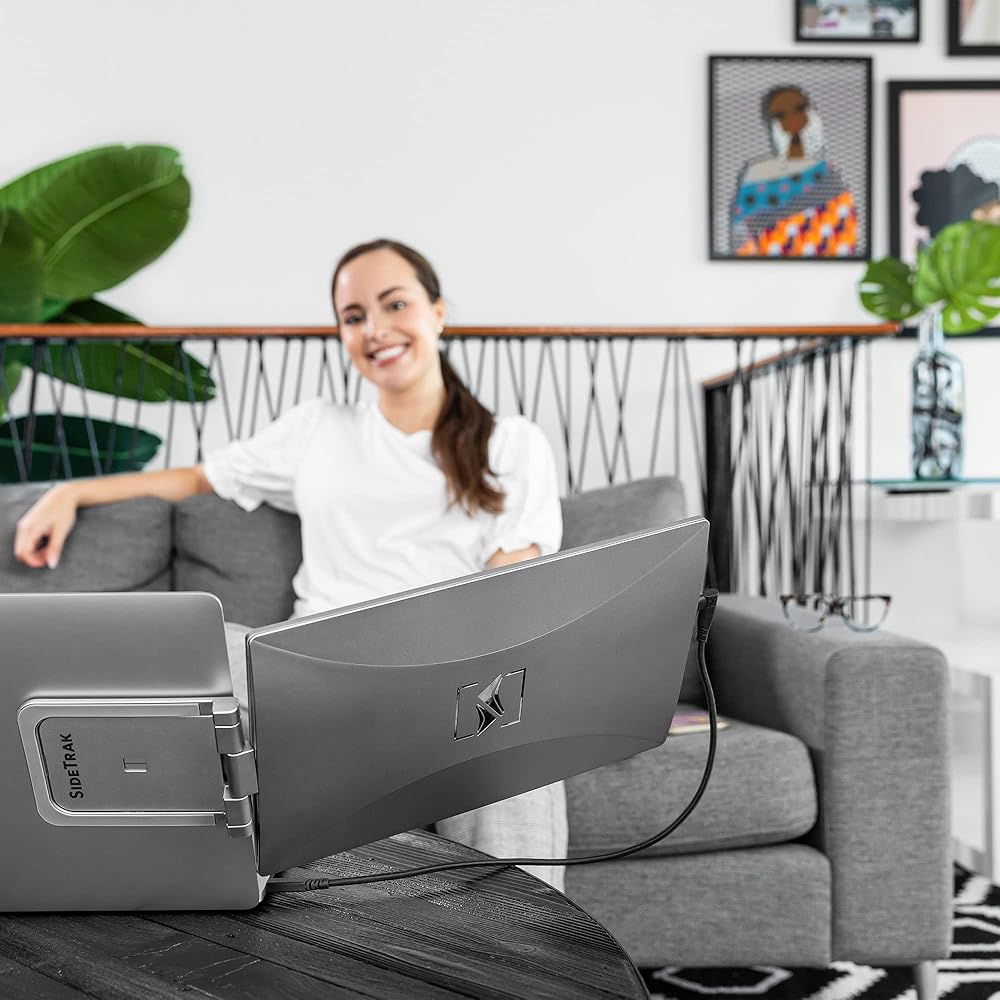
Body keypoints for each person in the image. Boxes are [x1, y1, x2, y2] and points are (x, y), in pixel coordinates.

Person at [12, 238, 568, 889]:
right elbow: (199, 478)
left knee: (515, 737)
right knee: (201, 643)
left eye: (394, 304)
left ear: (437, 312)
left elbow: (507, 591)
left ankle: (528, 937)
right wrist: (72, 492)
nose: (375, 329)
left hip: (443, 683)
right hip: (315, 676)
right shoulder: (319, 430)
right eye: (354, 316)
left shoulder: (514, 444)